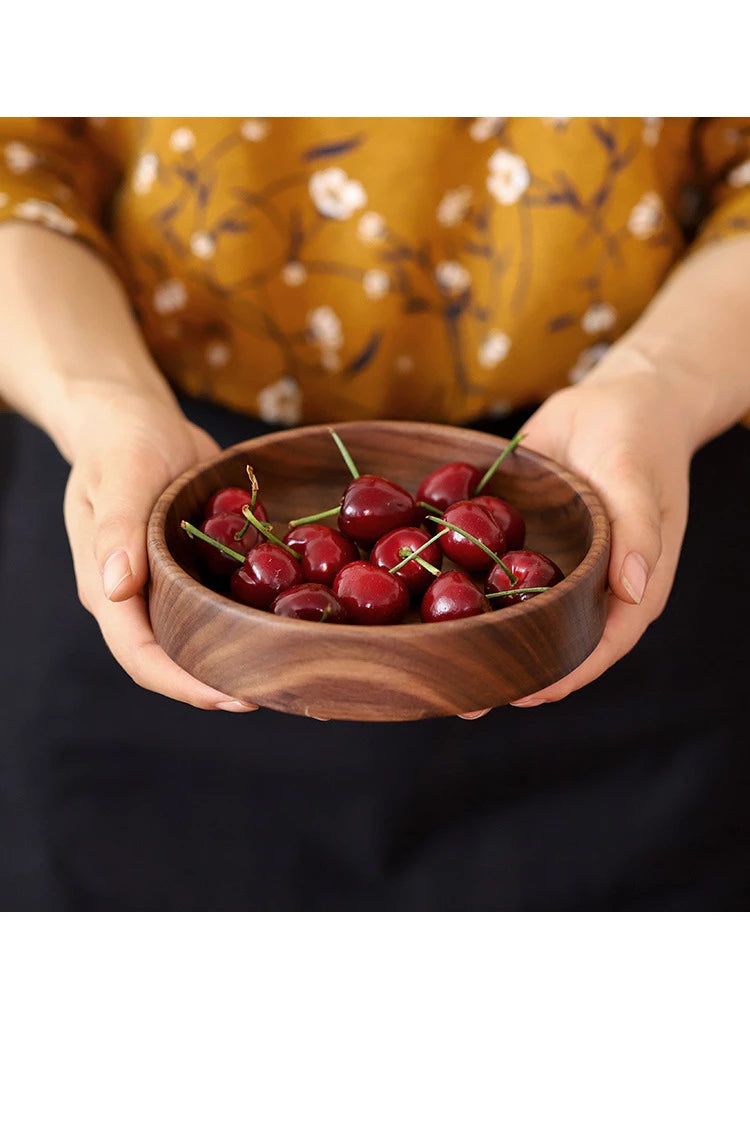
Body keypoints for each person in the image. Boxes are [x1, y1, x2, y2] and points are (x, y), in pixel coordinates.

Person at [0, 117, 748, 910]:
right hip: (154, 477)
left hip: (620, 473)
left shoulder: (469, 541)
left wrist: (662, 385)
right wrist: (100, 400)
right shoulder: (242, 534)